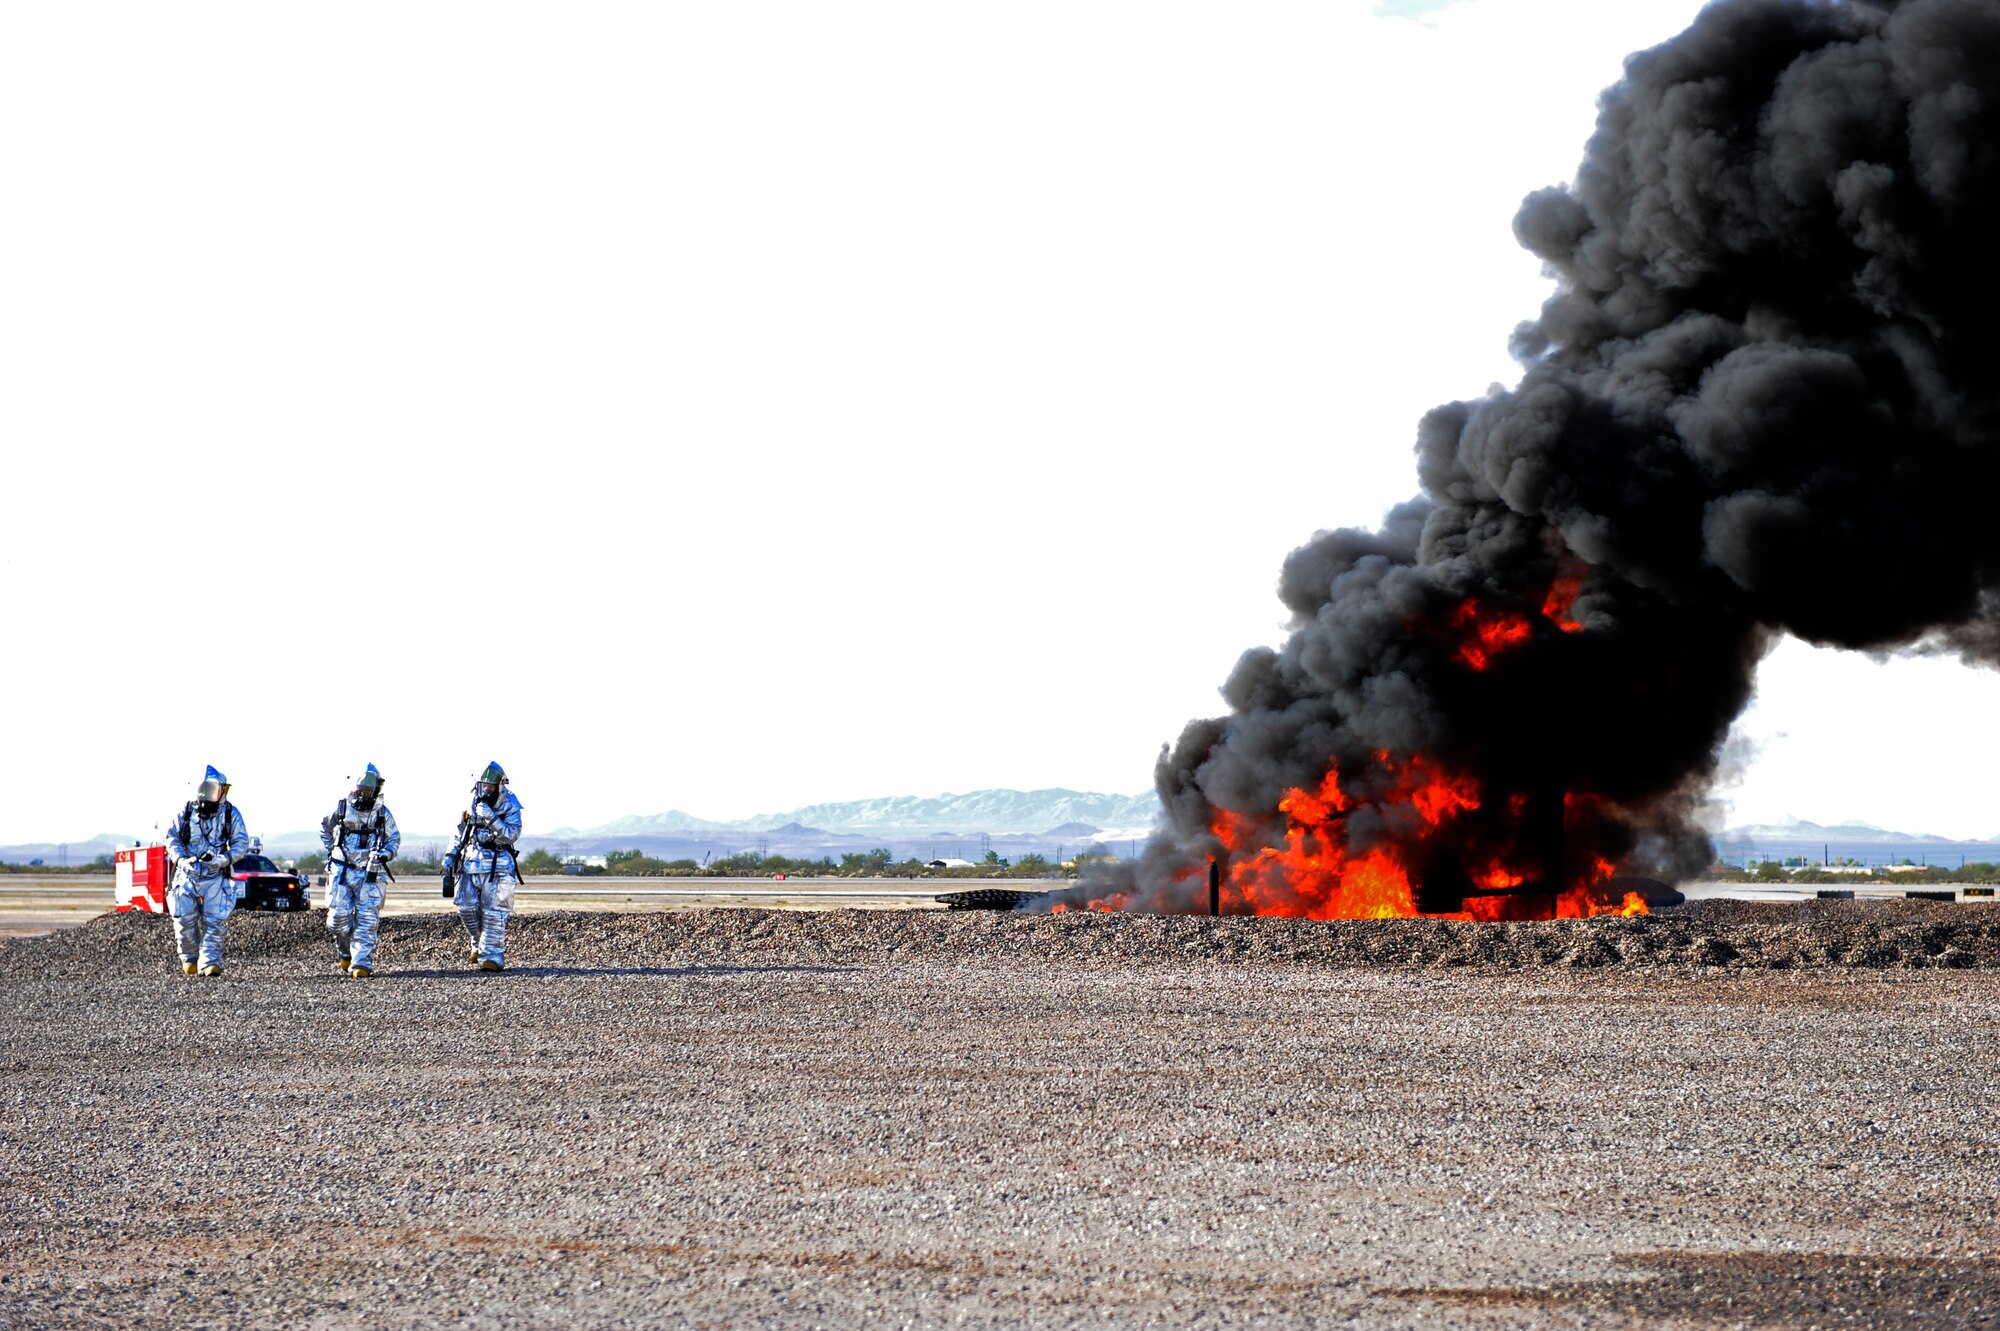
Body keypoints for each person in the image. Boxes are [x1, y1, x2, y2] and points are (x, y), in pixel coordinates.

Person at [163, 765, 252, 977]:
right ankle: (189, 958)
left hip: (215, 875)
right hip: (187, 874)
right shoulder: (185, 812)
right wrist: (181, 859)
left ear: (221, 791)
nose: (208, 795)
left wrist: (223, 859)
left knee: (215, 921)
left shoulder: (230, 814)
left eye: (213, 790)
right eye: (205, 790)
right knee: (184, 920)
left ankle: (211, 962)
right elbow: (171, 837)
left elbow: (241, 842)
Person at [320, 763, 401, 979]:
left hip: (370, 873)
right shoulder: (341, 808)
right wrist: (334, 850)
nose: (362, 794)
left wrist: (384, 855)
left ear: (375, 790)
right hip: (343, 871)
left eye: (367, 790)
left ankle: (362, 963)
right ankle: (345, 952)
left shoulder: (383, 813)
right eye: (360, 789)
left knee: (367, 920)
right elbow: (324, 827)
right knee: (338, 919)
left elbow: (394, 839)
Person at [444, 761, 522, 971]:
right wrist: (451, 855)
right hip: (471, 862)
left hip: (500, 866)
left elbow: (511, 834)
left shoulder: (511, 804)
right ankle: (479, 944)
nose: (486, 790)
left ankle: (492, 957)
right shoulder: (472, 803)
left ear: (499, 786)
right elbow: (460, 832)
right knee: (465, 907)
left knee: (494, 913)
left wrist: (490, 816)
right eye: (483, 786)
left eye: (490, 786)